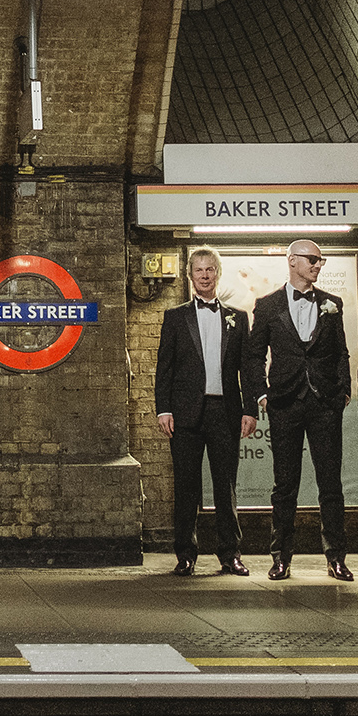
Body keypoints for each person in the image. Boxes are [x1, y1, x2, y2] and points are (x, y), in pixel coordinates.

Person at [242, 239, 353, 581]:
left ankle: (336, 558)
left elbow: (341, 352)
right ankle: (281, 558)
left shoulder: (332, 303)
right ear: (292, 261)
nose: (319, 265)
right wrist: (260, 393)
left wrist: (343, 391)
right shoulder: (268, 304)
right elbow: (253, 355)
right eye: (313, 259)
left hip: (324, 403)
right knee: (284, 485)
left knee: (331, 483)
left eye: (321, 260)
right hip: (285, 402)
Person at [154, 247, 255, 576]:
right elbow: (164, 370)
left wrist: (250, 409)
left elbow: (248, 368)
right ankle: (185, 554)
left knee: (226, 487)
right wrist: (163, 409)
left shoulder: (238, 317)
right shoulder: (175, 316)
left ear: (218, 273)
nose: (205, 275)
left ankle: (231, 554)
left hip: (225, 411)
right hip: (184, 414)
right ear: (190, 275)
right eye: (199, 270)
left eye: (210, 269)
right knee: (186, 486)